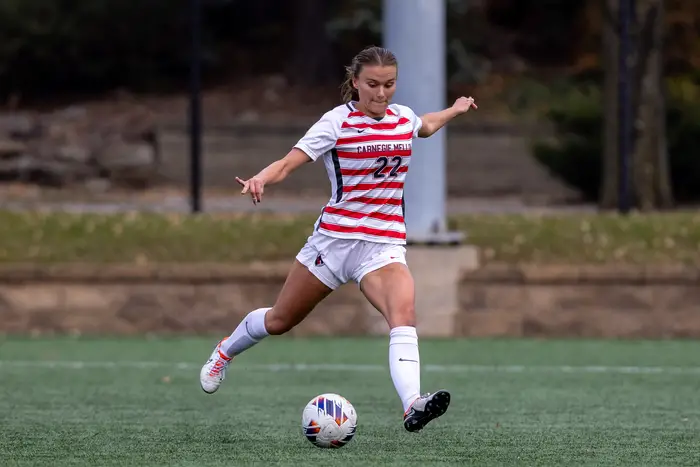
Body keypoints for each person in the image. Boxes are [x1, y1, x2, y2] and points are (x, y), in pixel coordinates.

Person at [200, 45, 477, 433]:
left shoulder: (402, 118)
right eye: (373, 85)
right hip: (333, 244)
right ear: (355, 83)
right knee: (280, 320)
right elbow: (289, 161)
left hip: (382, 246)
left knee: (404, 315)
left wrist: (455, 109)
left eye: (389, 85)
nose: (382, 94)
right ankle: (224, 352)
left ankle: (413, 403)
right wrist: (261, 178)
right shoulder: (336, 122)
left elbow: (425, 125)